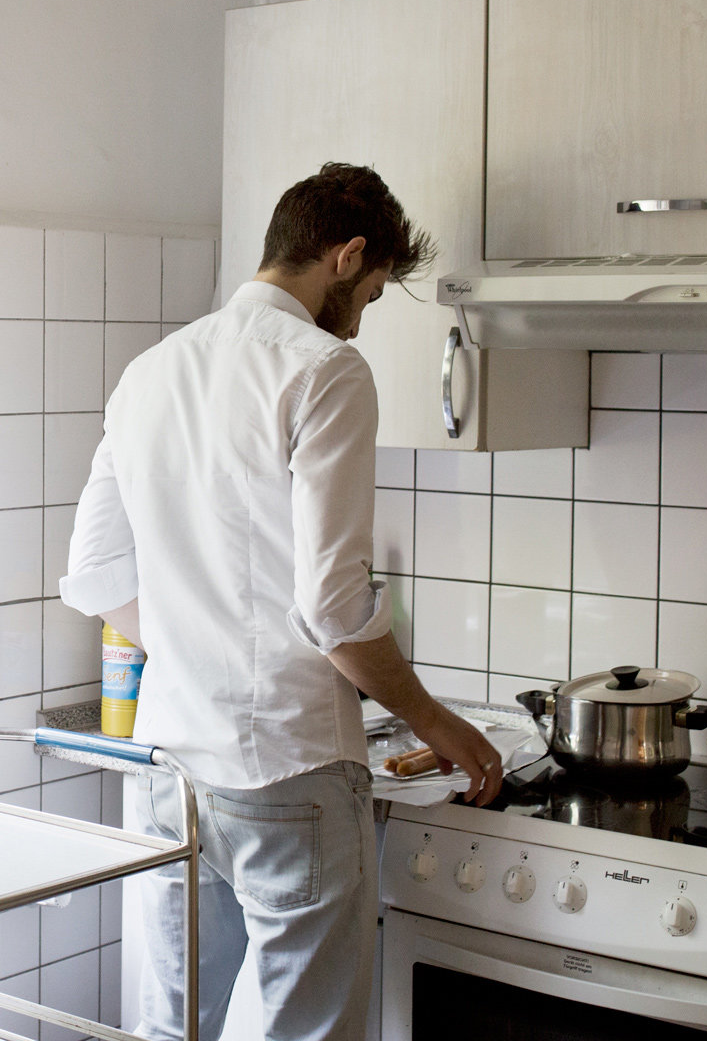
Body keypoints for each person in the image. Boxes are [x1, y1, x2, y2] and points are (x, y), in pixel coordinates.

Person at [59, 162, 503, 1041]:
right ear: (346, 257)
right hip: (287, 771)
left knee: (173, 1027)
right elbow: (336, 607)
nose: (364, 315)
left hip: (169, 766)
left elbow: (96, 574)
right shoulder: (327, 370)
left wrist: (202, 644)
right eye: (373, 293)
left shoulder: (151, 370)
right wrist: (433, 721)